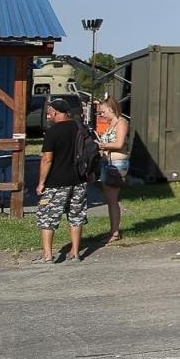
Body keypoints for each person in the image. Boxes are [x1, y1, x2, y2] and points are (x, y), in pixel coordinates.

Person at [32, 94, 88, 264]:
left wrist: (41, 183)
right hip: (79, 180)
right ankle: (75, 253)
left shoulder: (52, 132)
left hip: (56, 182)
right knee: (76, 216)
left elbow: (47, 159)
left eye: (49, 113)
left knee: (47, 216)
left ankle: (48, 255)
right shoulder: (81, 128)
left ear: (56, 112)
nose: (49, 116)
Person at [93, 96, 130, 243]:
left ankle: (115, 232)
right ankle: (113, 230)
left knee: (112, 199)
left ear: (111, 109)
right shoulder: (111, 124)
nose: (102, 115)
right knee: (109, 199)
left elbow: (119, 143)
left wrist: (102, 146)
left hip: (117, 163)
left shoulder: (121, 122)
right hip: (107, 162)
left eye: (103, 112)